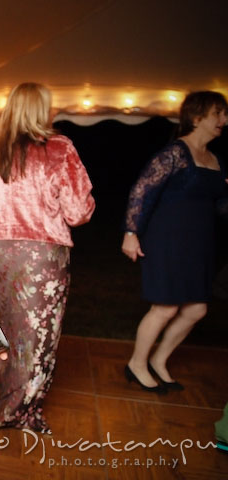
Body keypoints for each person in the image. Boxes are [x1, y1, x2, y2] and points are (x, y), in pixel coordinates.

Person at [0, 82, 95, 433]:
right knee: (36, 340)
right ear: (41, 110)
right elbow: (79, 211)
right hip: (41, 261)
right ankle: (21, 412)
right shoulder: (59, 148)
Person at [122, 91, 228, 393]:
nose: (224, 120)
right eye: (217, 114)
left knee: (197, 309)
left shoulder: (215, 159)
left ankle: (159, 360)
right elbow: (141, 190)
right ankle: (137, 364)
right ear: (196, 117)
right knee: (165, 308)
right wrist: (131, 232)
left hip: (200, 244)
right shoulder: (174, 153)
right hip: (167, 240)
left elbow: (219, 206)